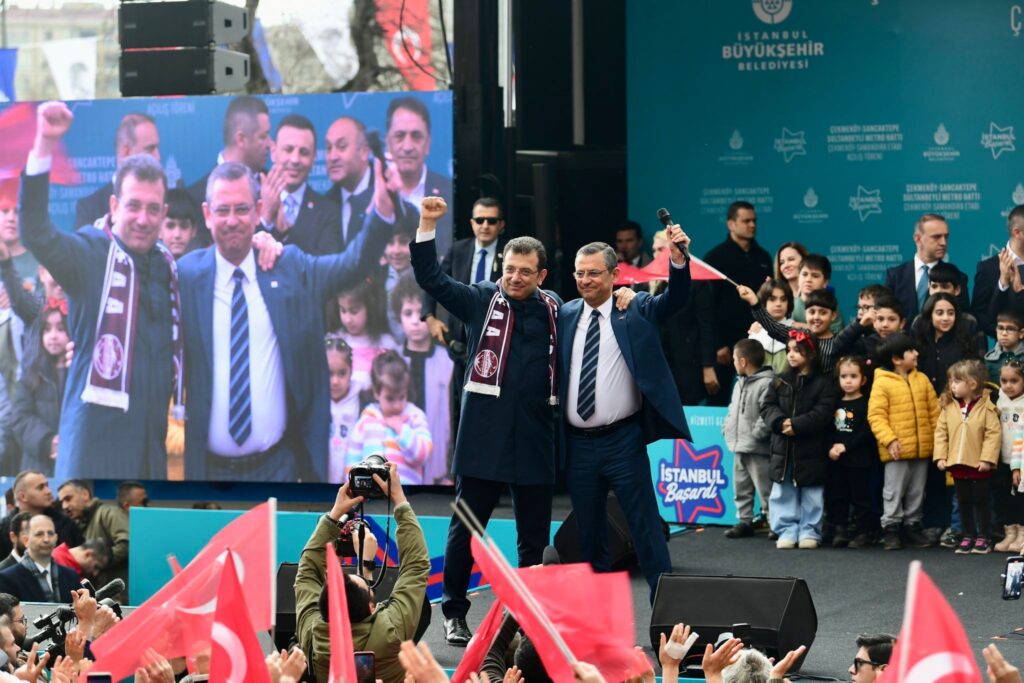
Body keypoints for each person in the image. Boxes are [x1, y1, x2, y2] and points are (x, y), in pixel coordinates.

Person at [177, 158, 396, 483]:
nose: (233, 220)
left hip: (278, 470)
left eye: (242, 209)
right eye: (223, 211)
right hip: (206, 475)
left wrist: (381, 212)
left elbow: (351, 265)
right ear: (207, 215)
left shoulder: (288, 267)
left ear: (258, 209)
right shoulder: (185, 275)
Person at [410, 196, 562, 646]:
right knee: (466, 530)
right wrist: (427, 223)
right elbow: (431, 279)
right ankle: (454, 612)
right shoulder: (480, 298)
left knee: (533, 541)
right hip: (483, 436)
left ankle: (527, 616)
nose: (515, 278)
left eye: (524, 271)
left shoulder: (557, 309)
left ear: (541, 276)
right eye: (509, 269)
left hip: (535, 438)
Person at [21, 101, 180, 481]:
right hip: (93, 457)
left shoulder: (168, 267)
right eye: (134, 206)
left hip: (150, 457)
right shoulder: (90, 253)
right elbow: (36, 231)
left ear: (164, 212)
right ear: (114, 205)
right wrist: (44, 144)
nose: (143, 219)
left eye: (153, 209)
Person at [561, 233, 692, 598]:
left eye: (594, 273)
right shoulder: (565, 314)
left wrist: (678, 261)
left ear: (614, 274)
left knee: (646, 530)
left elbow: (675, 300)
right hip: (578, 446)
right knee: (589, 539)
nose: (585, 280)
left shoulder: (634, 308)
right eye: (579, 273)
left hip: (623, 441)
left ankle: (668, 620)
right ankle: (600, 624)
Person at [294, 465, 429, 683]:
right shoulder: (391, 630)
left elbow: (307, 572)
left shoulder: (313, 633)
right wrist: (399, 500)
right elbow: (416, 566)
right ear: (371, 607)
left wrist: (334, 515)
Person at [421, 196, 508, 467]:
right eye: (479, 220)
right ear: (471, 223)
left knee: (497, 409)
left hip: (499, 339)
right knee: (462, 405)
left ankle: (495, 470)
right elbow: (432, 283)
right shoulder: (459, 250)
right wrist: (430, 319)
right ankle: (463, 470)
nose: (485, 225)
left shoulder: (511, 252)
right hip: (460, 340)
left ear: (501, 225)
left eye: (491, 220)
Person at [761, 332, 839, 549]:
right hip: (783, 449)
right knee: (783, 491)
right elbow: (767, 406)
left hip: (812, 448)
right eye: (789, 351)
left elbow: (823, 412)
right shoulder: (779, 381)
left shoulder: (824, 383)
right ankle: (786, 530)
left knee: (812, 493)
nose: (791, 355)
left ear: (811, 354)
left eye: (797, 351)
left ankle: (810, 531)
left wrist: (797, 425)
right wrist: (780, 423)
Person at [867, 334, 939, 550]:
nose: (916, 354)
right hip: (897, 450)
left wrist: (937, 443)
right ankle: (891, 527)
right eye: (911, 351)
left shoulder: (922, 380)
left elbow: (934, 412)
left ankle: (912, 525)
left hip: (922, 448)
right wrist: (889, 440)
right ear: (897, 359)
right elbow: (876, 416)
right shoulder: (882, 383)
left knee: (917, 490)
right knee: (893, 490)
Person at [703, 201, 773, 405]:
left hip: (758, 341)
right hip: (724, 348)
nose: (752, 225)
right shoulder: (715, 258)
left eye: (754, 221)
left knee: (759, 400)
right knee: (719, 401)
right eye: (746, 221)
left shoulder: (763, 257)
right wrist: (718, 345)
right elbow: (707, 307)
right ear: (731, 224)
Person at [935, 359, 1001, 554]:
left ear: (972, 384)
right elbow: (941, 433)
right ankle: (967, 534)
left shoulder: (987, 407)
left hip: (978, 463)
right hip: (957, 463)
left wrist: (987, 459)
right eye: (951, 382)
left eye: (957, 381)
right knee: (962, 500)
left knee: (981, 500)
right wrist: (941, 456)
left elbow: (992, 434)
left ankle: (984, 536)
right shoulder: (949, 407)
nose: (952, 386)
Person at [323, 115, 418, 252]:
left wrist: (397, 198)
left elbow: (415, 235)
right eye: (328, 148)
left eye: (341, 146)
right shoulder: (325, 204)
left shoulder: (388, 191)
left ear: (364, 152)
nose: (332, 156)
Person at [393, 274, 452, 483]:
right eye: (408, 313)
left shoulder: (447, 361)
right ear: (398, 317)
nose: (416, 321)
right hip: (400, 464)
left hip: (437, 469)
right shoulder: (391, 359)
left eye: (421, 313)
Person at [186, 96, 271, 236]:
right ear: (241, 139)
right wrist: (264, 219)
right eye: (263, 137)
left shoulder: (273, 190)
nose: (269, 144)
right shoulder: (194, 198)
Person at [345, 351, 432, 484]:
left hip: (405, 497)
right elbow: (352, 461)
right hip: (372, 498)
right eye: (390, 398)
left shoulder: (415, 417)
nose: (397, 405)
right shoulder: (366, 420)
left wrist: (402, 430)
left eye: (402, 397)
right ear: (376, 392)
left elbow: (423, 455)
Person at [262, 114, 342, 255]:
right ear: (273, 152)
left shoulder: (330, 213)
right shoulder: (251, 206)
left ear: (313, 158)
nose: (295, 159)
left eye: (304, 152)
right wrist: (266, 218)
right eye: (288, 149)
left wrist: (285, 235)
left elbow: (325, 268)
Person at [385, 97, 452, 256]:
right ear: (388, 142)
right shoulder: (372, 195)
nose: (407, 147)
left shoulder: (449, 192)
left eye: (416, 136)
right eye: (399, 136)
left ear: (427, 143)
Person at [721, 339, 773, 539]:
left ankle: (772, 520)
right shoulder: (739, 382)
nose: (733, 362)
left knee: (764, 487)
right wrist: (727, 428)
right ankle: (744, 520)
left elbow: (767, 413)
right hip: (738, 444)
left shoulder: (766, 382)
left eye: (734, 359)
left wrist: (756, 434)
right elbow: (732, 410)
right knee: (740, 487)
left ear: (742, 361)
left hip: (756, 447)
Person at [75, 112, 161, 229]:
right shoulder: (90, 209)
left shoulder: (169, 201)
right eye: (150, 149)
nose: (158, 157)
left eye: (153, 209)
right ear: (126, 151)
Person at [11, 299, 67, 475]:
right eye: (47, 329)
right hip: (37, 467)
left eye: (61, 329)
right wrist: (48, 442)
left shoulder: (81, 373)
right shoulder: (31, 373)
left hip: (73, 461)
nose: (53, 336)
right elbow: (20, 417)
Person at [884, 213, 969, 322]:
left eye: (946, 237)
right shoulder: (895, 276)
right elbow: (886, 315)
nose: (943, 243)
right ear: (918, 239)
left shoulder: (957, 277)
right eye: (936, 237)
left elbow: (962, 320)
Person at [829, 356, 877, 548]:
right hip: (837, 459)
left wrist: (847, 446)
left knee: (860, 496)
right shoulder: (834, 403)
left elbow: (867, 431)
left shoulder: (867, 403)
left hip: (859, 459)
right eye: (844, 376)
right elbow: (828, 429)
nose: (848, 381)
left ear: (863, 380)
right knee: (838, 495)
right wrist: (831, 447)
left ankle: (863, 531)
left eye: (853, 376)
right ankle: (840, 529)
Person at [55, 480, 128, 591]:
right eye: (62, 502)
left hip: (118, 591)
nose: (64, 506)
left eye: (68, 499)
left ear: (85, 494)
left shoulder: (108, 513)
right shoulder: (77, 524)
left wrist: (99, 561)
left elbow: (126, 543)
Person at [330, 278, 398, 395]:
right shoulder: (335, 342)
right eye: (343, 311)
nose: (348, 319)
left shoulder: (386, 344)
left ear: (369, 309)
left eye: (354, 311)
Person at [913, 293, 985, 392]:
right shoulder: (920, 337)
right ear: (930, 316)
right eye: (939, 313)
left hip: (957, 399)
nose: (946, 318)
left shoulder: (964, 338)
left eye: (951, 313)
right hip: (925, 397)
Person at [0, 514, 78, 603]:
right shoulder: (7, 579)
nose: (46, 539)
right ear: (26, 540)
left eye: (50, 533)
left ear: (56, 538)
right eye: (39, 534)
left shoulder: (71, 576)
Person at [973, 205, 1024, 338]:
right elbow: (980, 315)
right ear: (1017, 232)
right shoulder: (988, 268)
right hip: (1004, 354)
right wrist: (1003, 283)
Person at [996, 359, 1024, 552]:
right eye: (1004, 381)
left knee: (1020, 498)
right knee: (1004, 498)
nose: (1008, 386)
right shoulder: (998, 400)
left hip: (1021, 460)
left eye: (1014, 381)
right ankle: (1010, 533)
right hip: (1002, 458)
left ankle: (1021, 534)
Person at [326, 334, 360, 484]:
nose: (335, 381)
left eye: (341, 373)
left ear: (351, 371)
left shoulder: (362, 399)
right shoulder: (315, 403)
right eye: (329, 373)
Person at [791, 253, 845, 334]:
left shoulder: (831, 307)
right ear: (798, 277)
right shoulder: (790, 305)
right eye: (804, 274)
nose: (808, 279)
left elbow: (837, 337)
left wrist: (804, 326)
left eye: (815, 276)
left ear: (825, 282)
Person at [749, 278, 794, 373]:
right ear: (763, 302)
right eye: (772, 299)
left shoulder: (795, 330)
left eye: (783, 299)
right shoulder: (755, 331)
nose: (778, 304)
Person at [158, 189, 200, 260]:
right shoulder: (147, 267)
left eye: (184, 226)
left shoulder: (203, 268)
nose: (177, 235)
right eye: (170, 226)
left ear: (194, 230)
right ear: (158, 230)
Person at [986, 310, 1024, 384]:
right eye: (1000, 328)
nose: (1004, 333)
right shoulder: (990, 360)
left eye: (1010, 329)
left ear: (1021, 333)